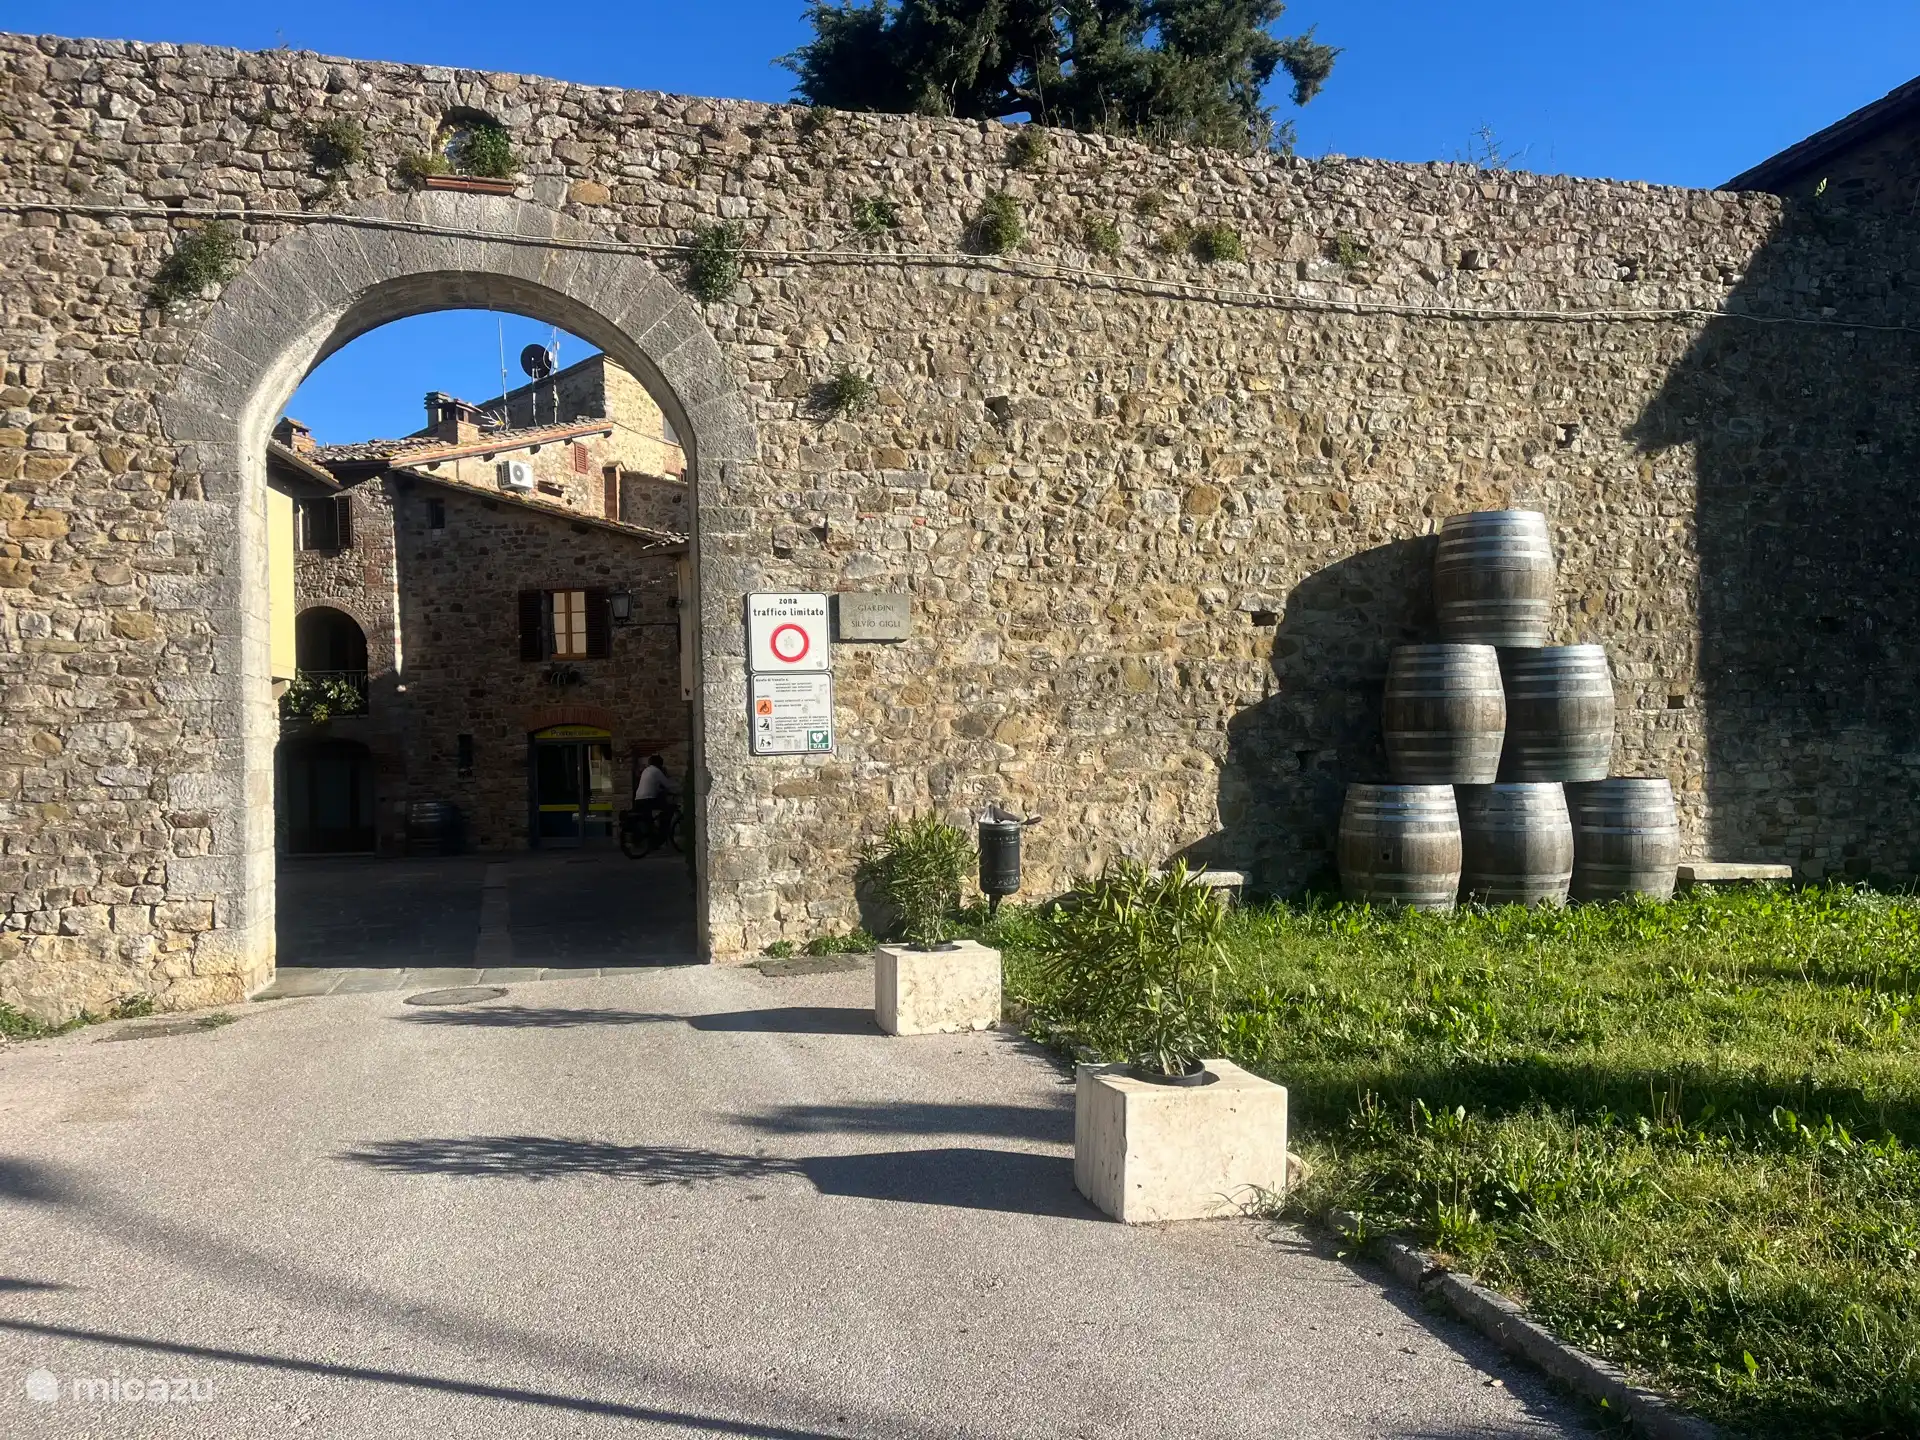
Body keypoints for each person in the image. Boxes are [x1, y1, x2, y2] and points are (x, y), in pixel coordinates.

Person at [630, 754, 677, 849]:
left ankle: (651, 838)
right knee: (668, 810)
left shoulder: (646, 770)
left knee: (648, 820)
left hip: (638, 799)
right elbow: (667, 784)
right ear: (659, 764)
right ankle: (660, 836)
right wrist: (678, 789)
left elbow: (652, 786)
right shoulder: (656, 771)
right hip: (648, 800)